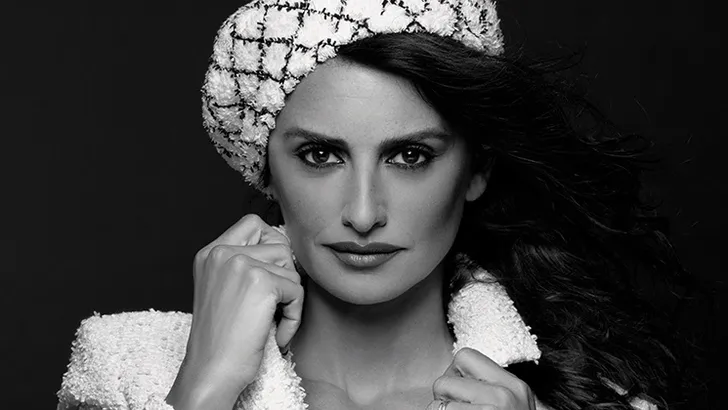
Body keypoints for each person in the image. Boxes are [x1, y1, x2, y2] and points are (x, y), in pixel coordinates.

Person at [56, 0, 694, 409]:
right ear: (266, 171)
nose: (363, 214)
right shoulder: (126, 369)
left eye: (410, 156)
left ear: (476, 170)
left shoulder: (598, 403)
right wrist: (205, 387)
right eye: (320, 155)